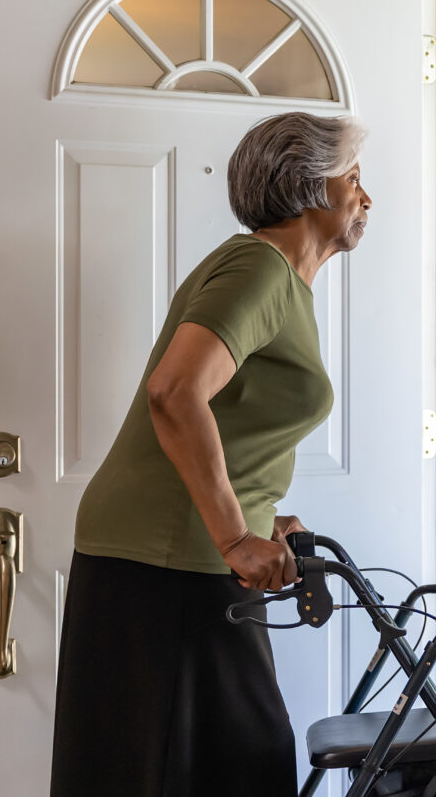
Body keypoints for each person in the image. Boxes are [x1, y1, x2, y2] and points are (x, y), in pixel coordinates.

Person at [50, 112, 372, 797]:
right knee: (234, 763)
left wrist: (262, 515)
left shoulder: (285, 285)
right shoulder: (259, 265)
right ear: (312, 190)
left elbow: (229, 418)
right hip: (166, 560)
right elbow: (174, 392)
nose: (366, 198)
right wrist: (233, 535)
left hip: (178, 555)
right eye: (353, 179)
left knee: (207, 765)